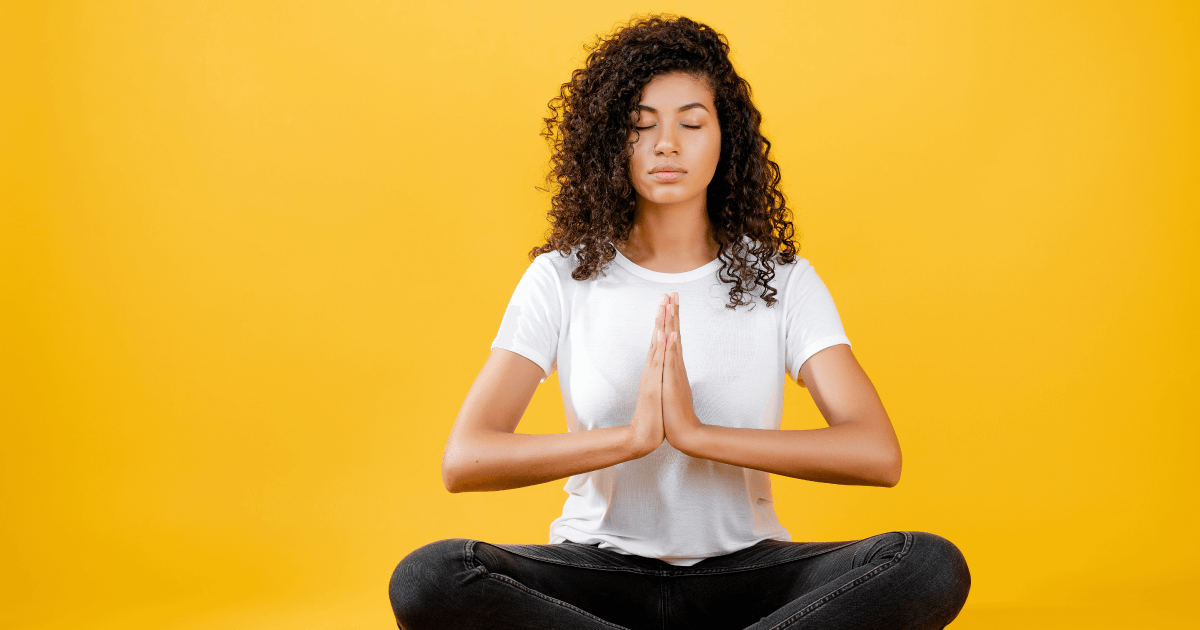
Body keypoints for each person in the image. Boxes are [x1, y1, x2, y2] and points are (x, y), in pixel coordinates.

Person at [389, 14, 970, 630]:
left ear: (727, 139)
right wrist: (632, 438)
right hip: (597, 574)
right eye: (642, 126)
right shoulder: (561, 279)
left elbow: (876, 454)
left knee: (926, 564)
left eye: (691, 123)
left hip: (745, 576)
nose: (668, 143)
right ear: (613, 143)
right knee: (431, 576)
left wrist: (694, 434)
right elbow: (467, 458)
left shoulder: (780, 278)